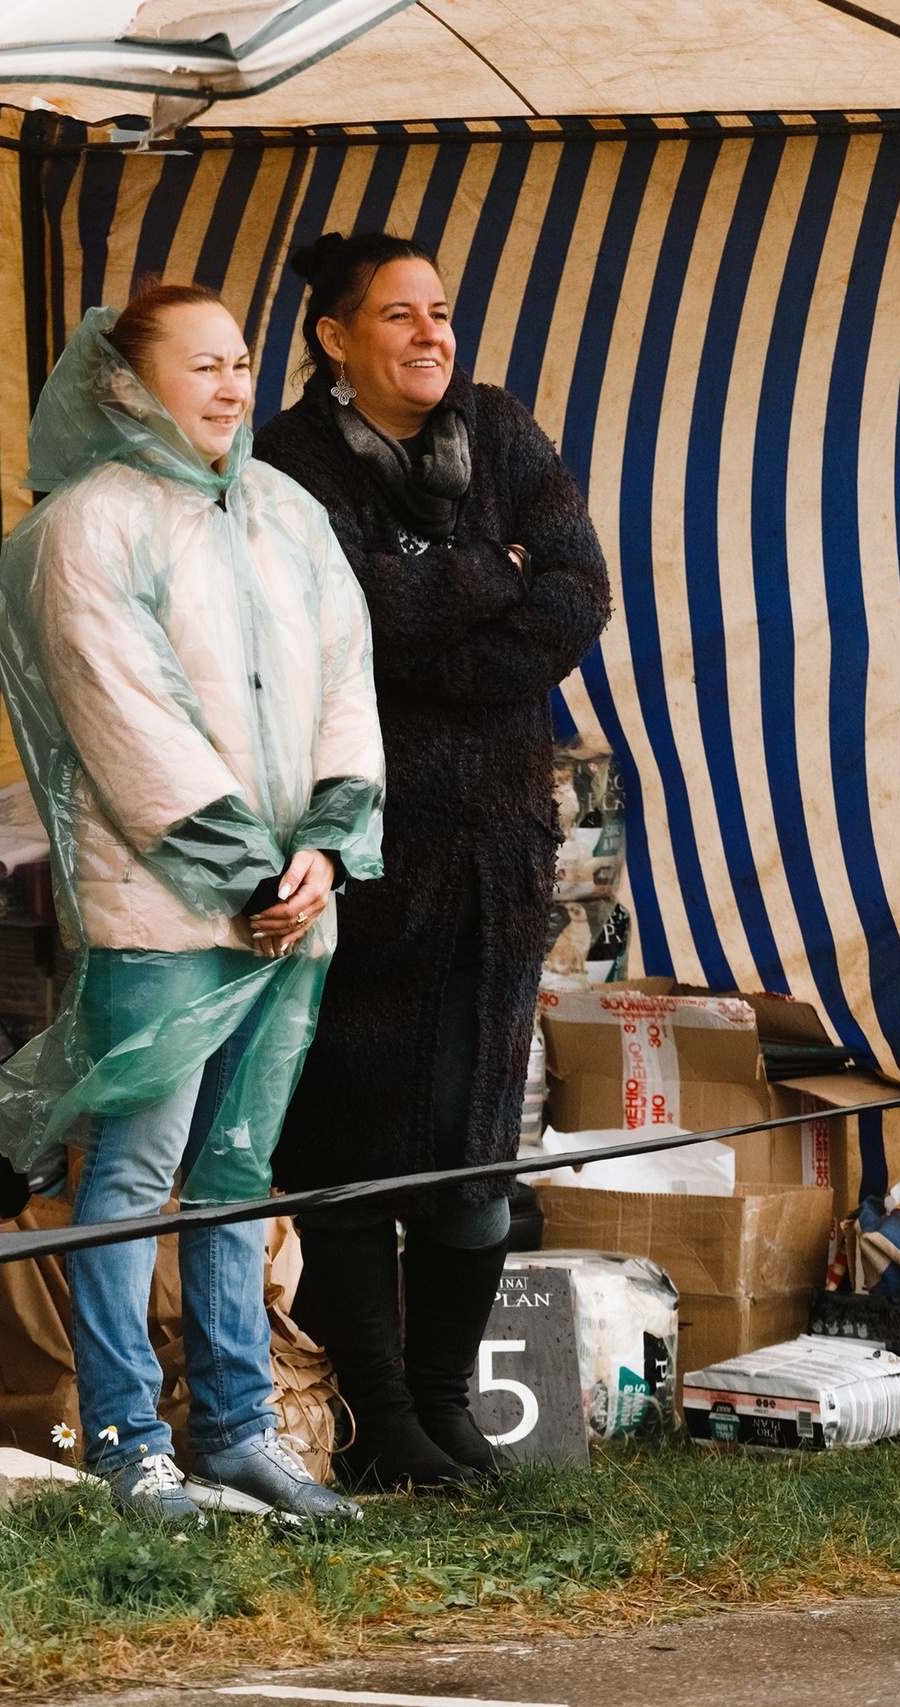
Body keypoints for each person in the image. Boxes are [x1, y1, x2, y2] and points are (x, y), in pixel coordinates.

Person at [0, 283, 386, 1525]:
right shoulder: (88, 526)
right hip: (162, 910)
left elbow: (345, 676)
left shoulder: (284, 510)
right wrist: (248, 871)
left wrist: (327, 843)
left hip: (289, 906)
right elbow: (125, 716)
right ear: (127, 381)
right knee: (134, 1172)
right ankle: (125, 1437)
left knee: (238, 1171)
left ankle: (236, 1429)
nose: (229, 385)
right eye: (201, 363)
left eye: (240, 361)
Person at [256, 232, 613, 1489]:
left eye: (441, 311)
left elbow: (575, 596)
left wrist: (440, 629)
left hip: (496, 856)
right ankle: (377, 1415)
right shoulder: (291, 460)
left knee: (475, 1141)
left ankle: (448, 1405)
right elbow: (342, 616)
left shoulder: (501, 433)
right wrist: (488, 577)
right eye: (398, 315)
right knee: (348, 1139)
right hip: (366, 852)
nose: (430, 335)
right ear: (333, 337)